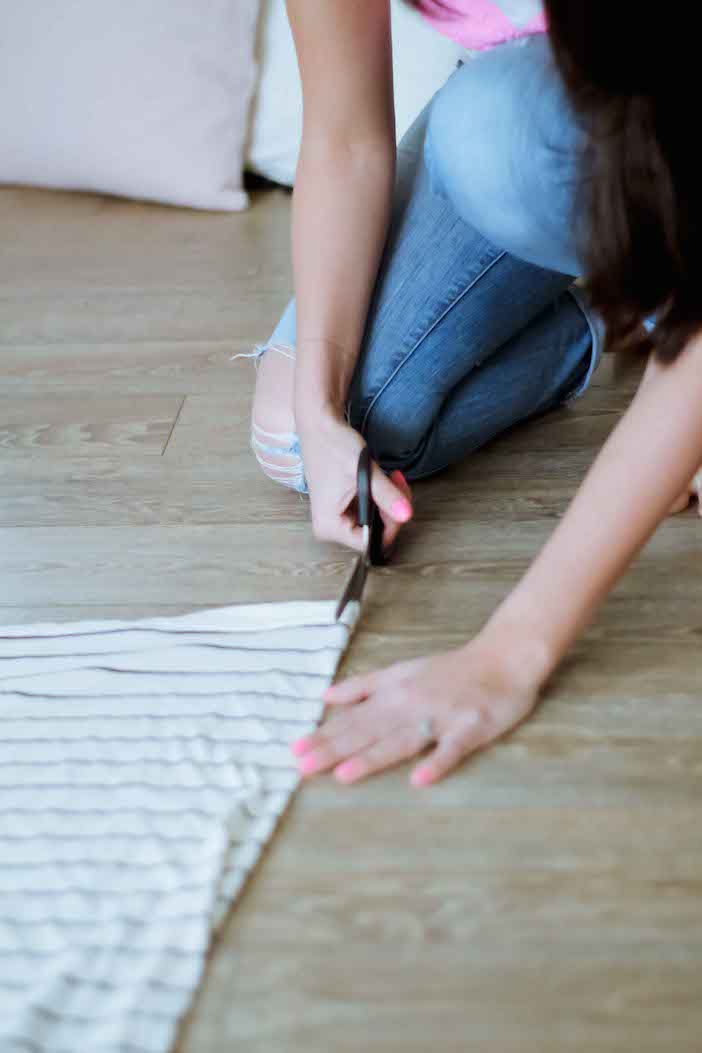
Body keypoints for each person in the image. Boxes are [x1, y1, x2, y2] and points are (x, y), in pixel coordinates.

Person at [245, 0, 702, 788]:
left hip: (638, 108)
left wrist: (507, 654)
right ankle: (608, 313)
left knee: (493, 128)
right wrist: (319, 414)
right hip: (531, 122)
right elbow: (344, 138)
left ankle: (660, 305)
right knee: (304, 431)